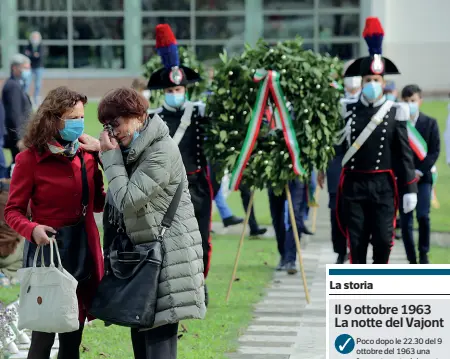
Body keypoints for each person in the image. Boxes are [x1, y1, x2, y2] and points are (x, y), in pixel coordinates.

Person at [97, 87, 206, 359]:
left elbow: (128, 199)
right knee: (142, 344)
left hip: (168, 259)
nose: (112, 132)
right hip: (146, 260)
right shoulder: (135, 148)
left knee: (159, 347)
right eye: (106, 126)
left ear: (138, 116)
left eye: (116, 124)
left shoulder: (161, 151)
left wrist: (109, 158)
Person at [4, 86, 105, 359]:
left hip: (83, 251)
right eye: (72, 117)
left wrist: (108, 157)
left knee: (73, 336)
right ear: (53, 119)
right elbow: (12, 211)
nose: (79, 124)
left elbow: (98, 203)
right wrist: (31, 229)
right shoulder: (29, 160)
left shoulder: (88, 155)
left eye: (82, 117)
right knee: (43, 338)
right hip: (47, 253)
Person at [336, 17, 418, 264]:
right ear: (361, 83)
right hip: (354, 184)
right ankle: (361, 295)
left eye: (376, 81)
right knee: (357, 243)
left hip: (383, 184)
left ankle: (379, 291)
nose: (372, 84)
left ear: (384, 84)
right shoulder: (346, 109)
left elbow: (404, 154)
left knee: (384, 241)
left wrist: (409, 189)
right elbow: (338, 146)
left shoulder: (396, 111)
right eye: (368, 80)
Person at [147, 24, 213, 280]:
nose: (176, 94)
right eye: (171, 91)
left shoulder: (198, 113)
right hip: (168, 189)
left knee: (201, 238)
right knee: (172, 241)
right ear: (164, 92)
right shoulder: (152, 119)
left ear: (186, 89)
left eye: (179, 90)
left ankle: (200, 282)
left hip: (196, 184)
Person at [319, 60, 362, 264]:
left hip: (361, 161)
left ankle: (356, 248)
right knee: (336, 207)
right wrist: (321, 166)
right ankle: (340, 249)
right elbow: (325, 136)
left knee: (357, 208)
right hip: (336, 159)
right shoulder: (333, 100)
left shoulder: (369, 102)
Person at [398, 84, 440, 264]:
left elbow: (434, 151)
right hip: (405, 179)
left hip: (423, 178)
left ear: (420, 101)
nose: (409, 104)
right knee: (406, 221)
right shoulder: (398, 124)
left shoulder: (430, 123)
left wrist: (420, 171)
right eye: (406, 101)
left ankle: (423, 253)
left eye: (413, 101)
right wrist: (408, 172)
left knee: (423, 216)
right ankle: (411, 258)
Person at [2, 54, 32, 167]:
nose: (28, 71)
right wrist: (19, 138)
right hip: (17, 136)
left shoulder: (18, 84)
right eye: (25, 68)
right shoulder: (12, 86)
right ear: (14, 68)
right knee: (19, 164)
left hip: (20, 134)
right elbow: (15, 114)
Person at [24, 31, 45, 106]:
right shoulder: (28, 45)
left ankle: (36, 101)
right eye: (33, 37)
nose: (34, 39)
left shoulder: (41, 46)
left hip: (39, 68)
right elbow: (26, 55)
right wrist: (34, 55)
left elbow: (40, 56)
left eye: (36, 37)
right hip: (30, 68)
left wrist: (32, 55)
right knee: (27, 83)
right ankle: (24, 99)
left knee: (38, 85)